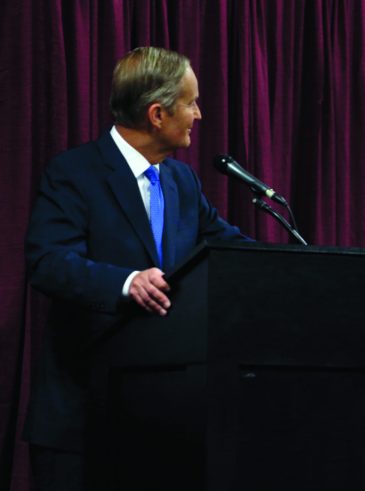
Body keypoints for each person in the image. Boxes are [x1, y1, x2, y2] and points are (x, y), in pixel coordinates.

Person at [24, 46, 253, 490]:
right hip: (83, 416)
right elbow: (48, 262)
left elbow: (229, 247)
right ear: (157, 114)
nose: (199, 114)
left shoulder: (181, 181)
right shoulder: (74, 173)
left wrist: (291, 271)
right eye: (190, 102)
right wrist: (126, 282)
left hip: (162, 424)